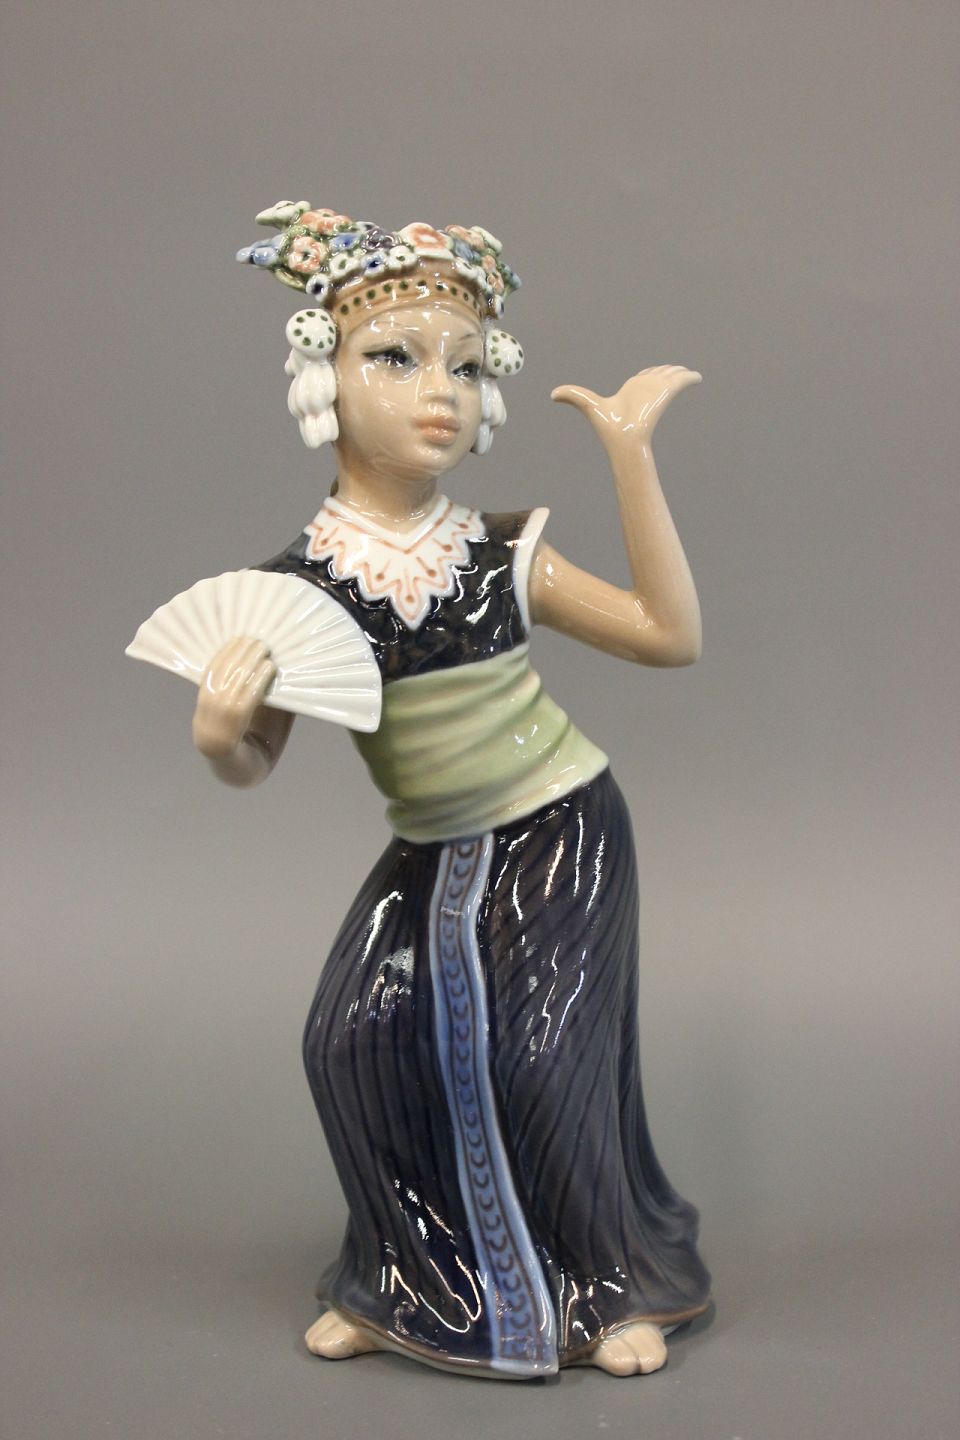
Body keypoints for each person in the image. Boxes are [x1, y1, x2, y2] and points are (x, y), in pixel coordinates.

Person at [193, 205, 711, 1379]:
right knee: (349, 1041)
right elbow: (253, 757)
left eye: (467, 369)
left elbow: (667, 636)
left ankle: (605, 1286)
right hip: (434, 845)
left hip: (562, 825)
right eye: (396, 358)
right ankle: (407, 1280)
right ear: (324, 380)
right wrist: (222, 733)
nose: (443, 392)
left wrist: (630, 456)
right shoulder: (296, 589)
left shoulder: (497, 551)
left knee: (542, 1056)